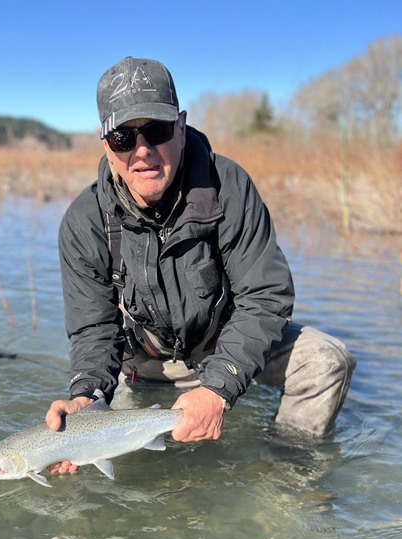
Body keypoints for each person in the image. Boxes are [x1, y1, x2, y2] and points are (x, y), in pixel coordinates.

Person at [45, 56, 356, 476]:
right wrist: (86, 393)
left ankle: (288, 477)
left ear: (181, 124)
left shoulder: (228, 187)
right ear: (105, 143)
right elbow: (93, 329)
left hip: (223, 348)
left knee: (327, 362)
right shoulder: (85, 221)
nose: (142, 152)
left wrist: (218, 388)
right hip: (145, 367)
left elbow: (265, 297)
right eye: (122, 137)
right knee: (144, 480)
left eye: (156, 130)